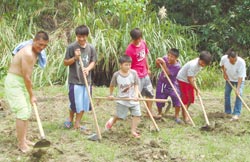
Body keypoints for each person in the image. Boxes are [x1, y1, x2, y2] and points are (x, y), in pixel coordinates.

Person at [4, 31, 49, 153]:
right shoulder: (28, 53)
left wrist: (30, 94)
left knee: (28, 110)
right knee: (23, 111)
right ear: (34, 41)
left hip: (21, 82)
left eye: (45, 46)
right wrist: (32, 95)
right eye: (40, 44)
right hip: (14, 83)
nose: (42, 48)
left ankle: (24, 138)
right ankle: (21, 144)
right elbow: (27, 77)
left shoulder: (35, 52)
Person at [64, 25, 97, 129]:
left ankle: (77, 123)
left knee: (84, 103)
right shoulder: (71, 47)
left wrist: (88, 69)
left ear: (87, 36)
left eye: (84, 36)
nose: (81, 39)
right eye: (79, 36)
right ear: (76, 36)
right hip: (75, 81)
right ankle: (70, 118)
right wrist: (75, 58)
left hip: (87, 81)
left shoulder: (91, 48)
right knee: (75, 104)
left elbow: (93, 61)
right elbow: (65, 62)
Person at [125, 28, 161, 119]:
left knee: (150, 94)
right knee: (136, 96)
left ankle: (149, 112)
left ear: (141, 37)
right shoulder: (129, 50)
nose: (138, 41)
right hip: (136, 76)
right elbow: (127, 65)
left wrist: (148, 68)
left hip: (145, 74)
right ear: (132, 39)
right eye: (135, 39)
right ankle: (134, 114)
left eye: (139, 39)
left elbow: (145, 56)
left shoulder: (143, 43)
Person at [105, 55, 141, 138]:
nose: (128, 67)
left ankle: (133, 131)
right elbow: (112, 85)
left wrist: (136, 95)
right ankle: (112, 120)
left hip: (133, 99)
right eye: (126, 65)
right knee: (120, 116)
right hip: (122, 100)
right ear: (120, 65)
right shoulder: (116, 75)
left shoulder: (133, 73)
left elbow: (136, 85)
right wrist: (111, 95)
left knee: (137, 114)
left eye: (129, 65)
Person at [176, 51, 212, 124]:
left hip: (189, 79)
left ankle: (185, 111)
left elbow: (192, 76)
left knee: (191, 98)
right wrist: (196, 88)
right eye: (203, 63)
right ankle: (185, 117)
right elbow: (189, 78)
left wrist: (195, 84)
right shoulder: (193, 65)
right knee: (185, 98)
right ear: (200, 59)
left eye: (205, 64)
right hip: (182, 80)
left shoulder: (200, 65)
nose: (203, 65)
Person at [155, 48, 182, 123]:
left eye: (172, 57)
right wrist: (157, 61)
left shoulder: (177, 66)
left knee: (177, 97)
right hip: (162, 82)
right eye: (168, 55)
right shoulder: (165, 58)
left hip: (172, 84)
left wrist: (163, 63)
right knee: (159, 98)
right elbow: (157, 66)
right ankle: (159, 113)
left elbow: (168, 73)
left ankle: (176, 116)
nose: (169, 58)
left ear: (176, 58)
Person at [220, 48, 246, 121]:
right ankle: (228, 112)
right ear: (228, 58)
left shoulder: (241, 62)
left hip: (239, 80)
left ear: (236, 57)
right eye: (231, 61)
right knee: (227, 94)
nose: (233, 62)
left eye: (235, 60)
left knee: (239, 94)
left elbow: (241, 76)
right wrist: (224, 73)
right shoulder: (224, 59)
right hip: (229, 79)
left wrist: (237, 89)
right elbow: (222, 65)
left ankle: (236, 114)